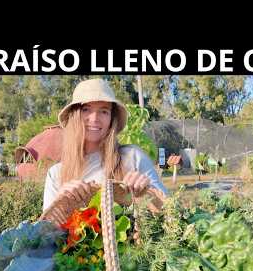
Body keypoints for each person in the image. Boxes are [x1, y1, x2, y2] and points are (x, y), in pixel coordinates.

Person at [42, 78, 168, 217]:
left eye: (104, 111)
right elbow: (47, 235)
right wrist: (61, 202)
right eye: (86, 109)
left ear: (111, 119)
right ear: (74, 116)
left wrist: (146, 194)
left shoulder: (132, 158)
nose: (94, 118)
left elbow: (170, 210)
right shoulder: (56, 174)